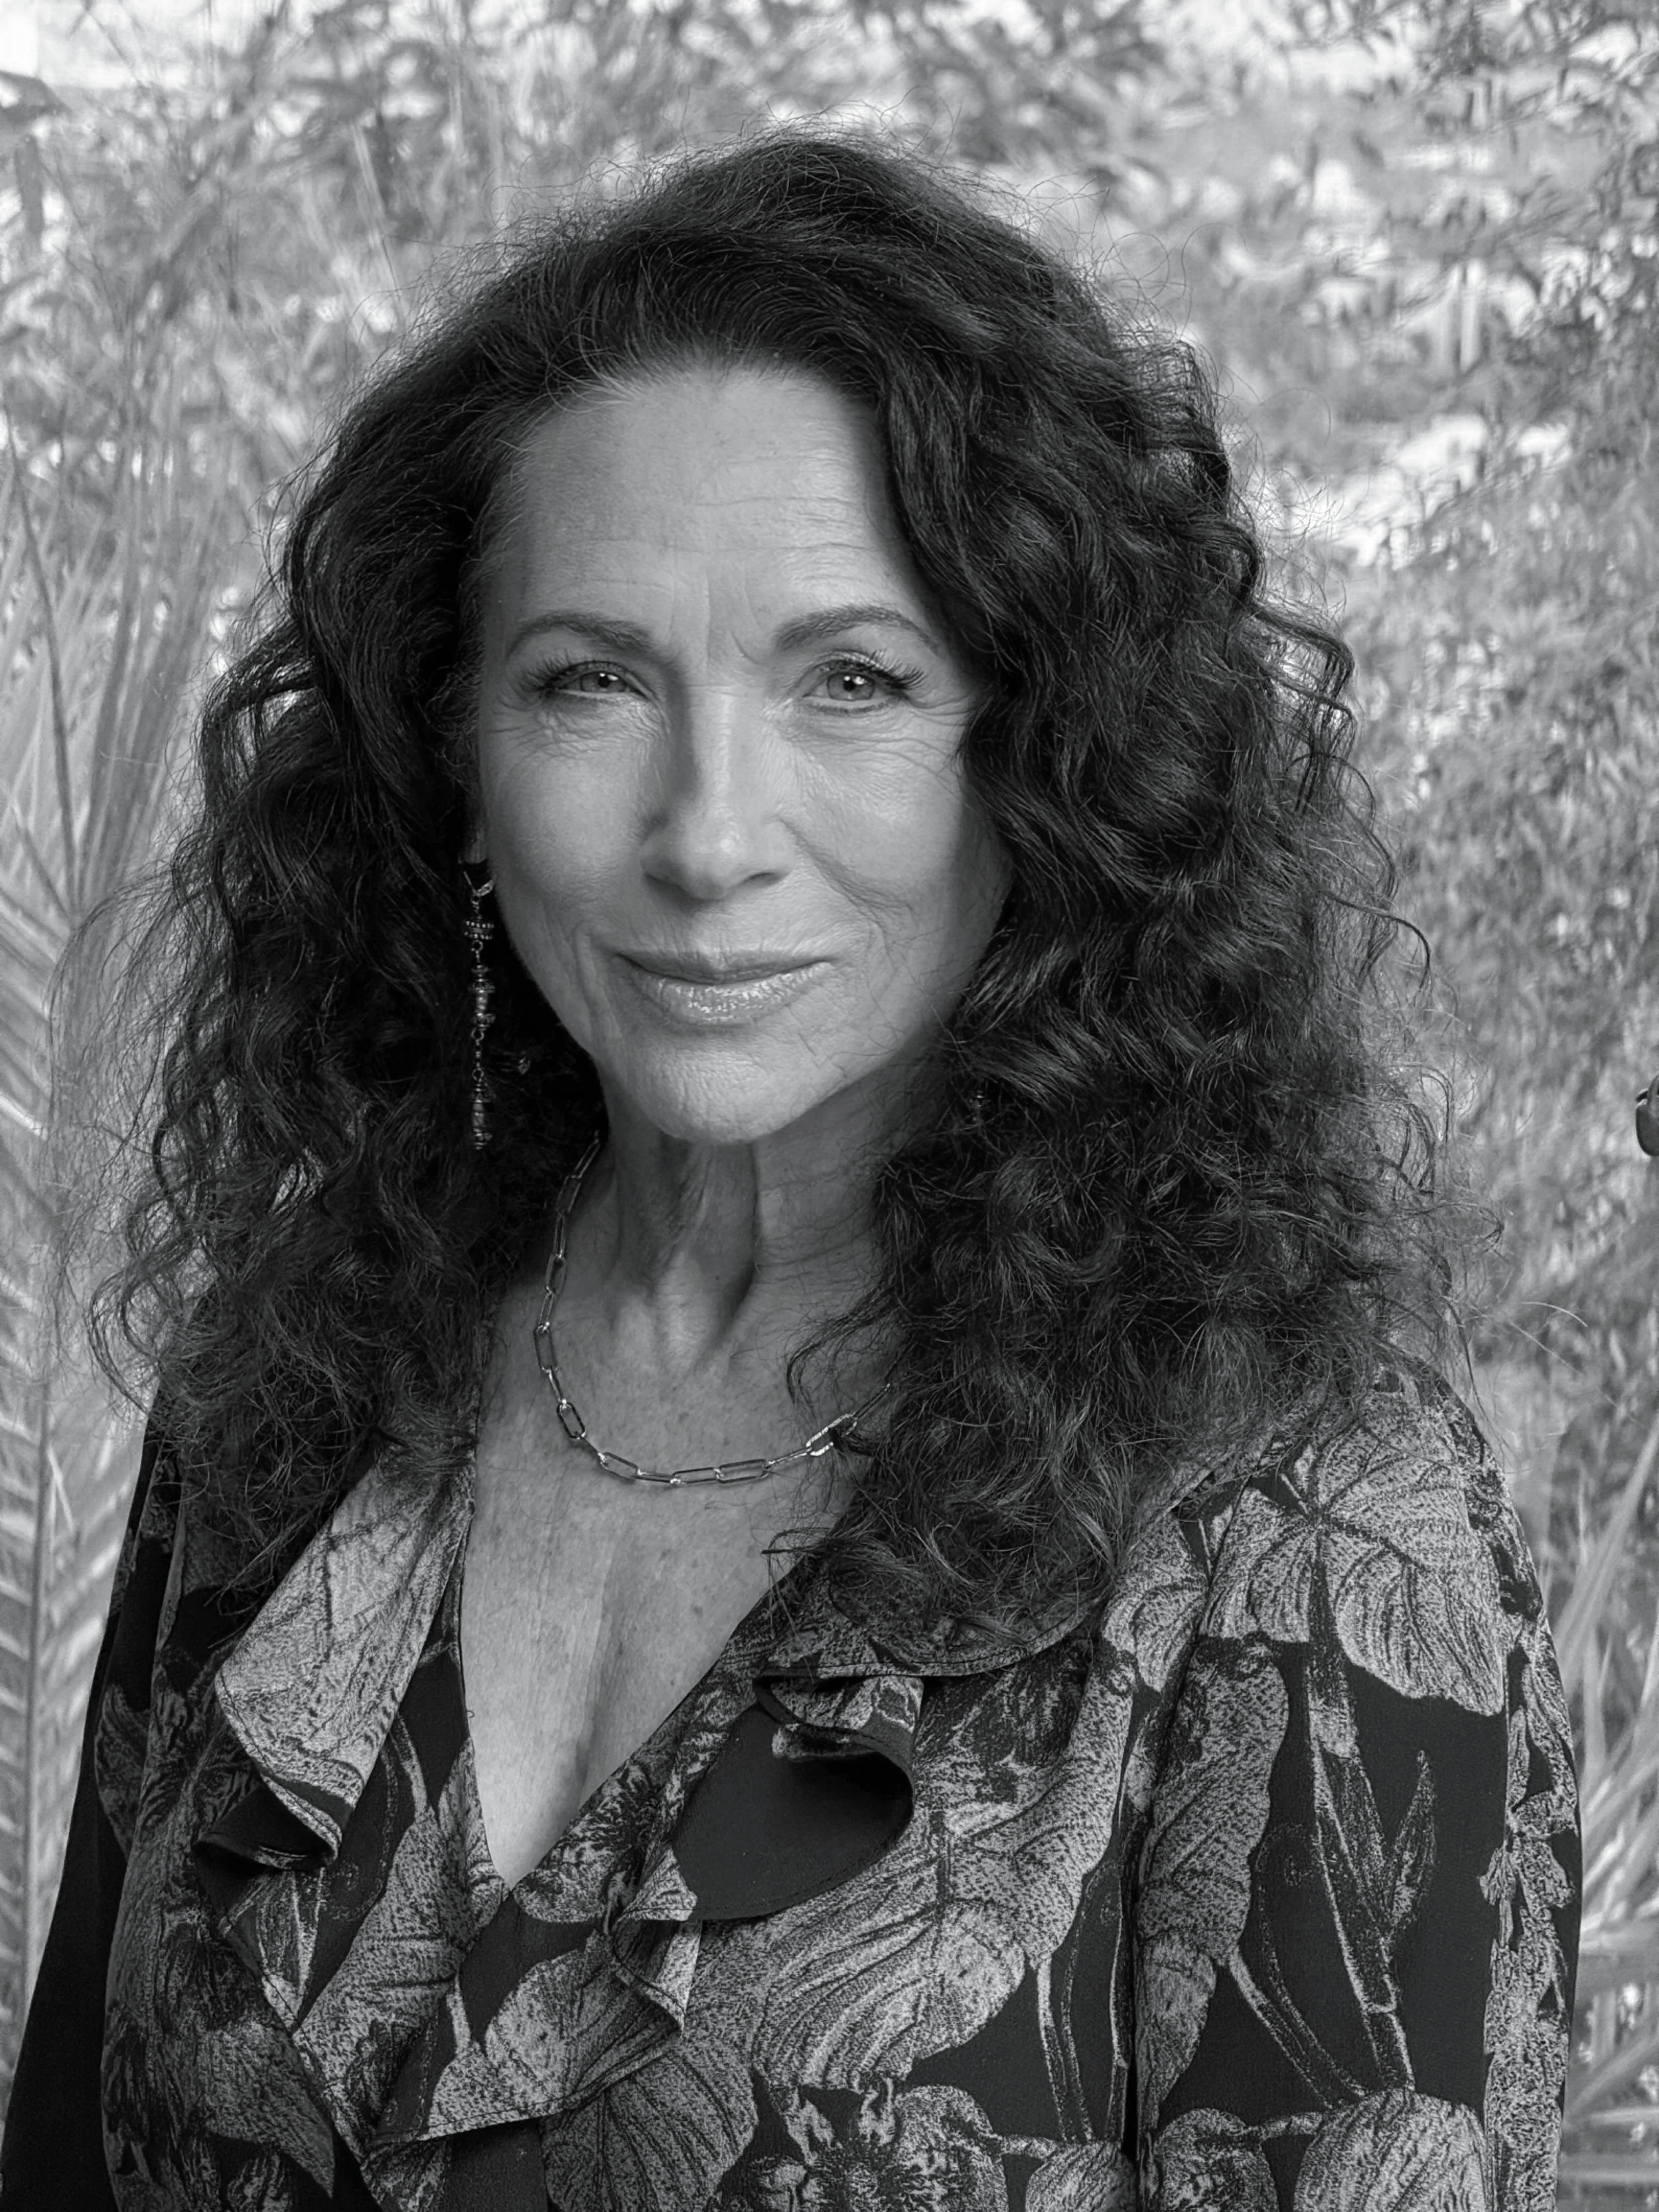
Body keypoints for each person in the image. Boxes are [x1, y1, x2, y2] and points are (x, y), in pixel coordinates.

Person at [2, 131, 1577, 2211]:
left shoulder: (1303, 1525)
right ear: (454, 759)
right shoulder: (297, 1374)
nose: (706, 832)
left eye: (851, 678)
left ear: (1049, 762)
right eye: (589, 681)